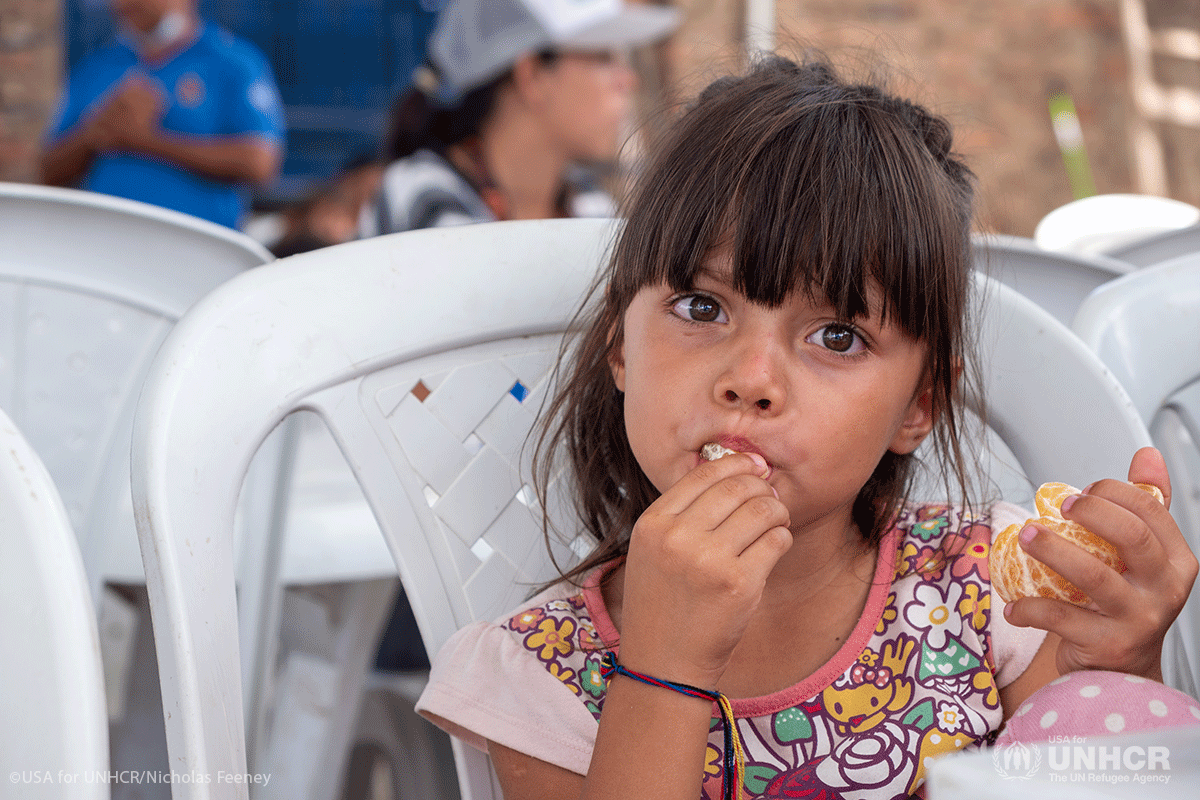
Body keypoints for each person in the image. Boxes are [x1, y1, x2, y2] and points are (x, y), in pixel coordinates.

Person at [413, 53, 1200, 799]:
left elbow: (1099, 771)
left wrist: (1120, 670)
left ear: (919, 405)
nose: (751, 381)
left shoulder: (989, 596)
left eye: (836, 337)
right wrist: (663, 668)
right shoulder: (539, 675)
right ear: (621, 345)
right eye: (701, 307)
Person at [358, 0, 679, 238]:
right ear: (533, 74)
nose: (627, 80)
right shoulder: (422, 196)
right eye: (603, 57)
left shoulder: (594, 208)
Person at [40, 0, 285, 229]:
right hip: (106, 244)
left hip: (198, 246)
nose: (125, 4)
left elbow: (259, 163)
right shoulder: (95, 67)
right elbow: (48, 173)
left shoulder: (232, 61)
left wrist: (144, 140)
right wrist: (95, 131)